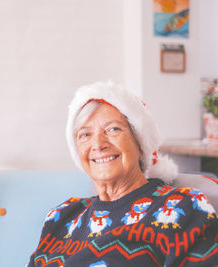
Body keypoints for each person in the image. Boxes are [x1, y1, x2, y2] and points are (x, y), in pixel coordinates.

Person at [27, 81, 218, 266]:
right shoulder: (62, 215)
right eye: (85, 134)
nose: (98, 144)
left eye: (113, 129)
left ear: (140, 143)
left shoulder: (182, 207)